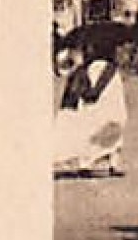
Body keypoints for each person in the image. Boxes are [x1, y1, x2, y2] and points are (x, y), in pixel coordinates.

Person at [54, 43, 128, 176]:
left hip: (98, 78)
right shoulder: (107, 67)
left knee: (93, 122)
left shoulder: (87, 67)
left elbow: (82, 92)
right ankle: (111, 163)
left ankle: (87, 163)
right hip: (106, 81)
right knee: (115, 119)